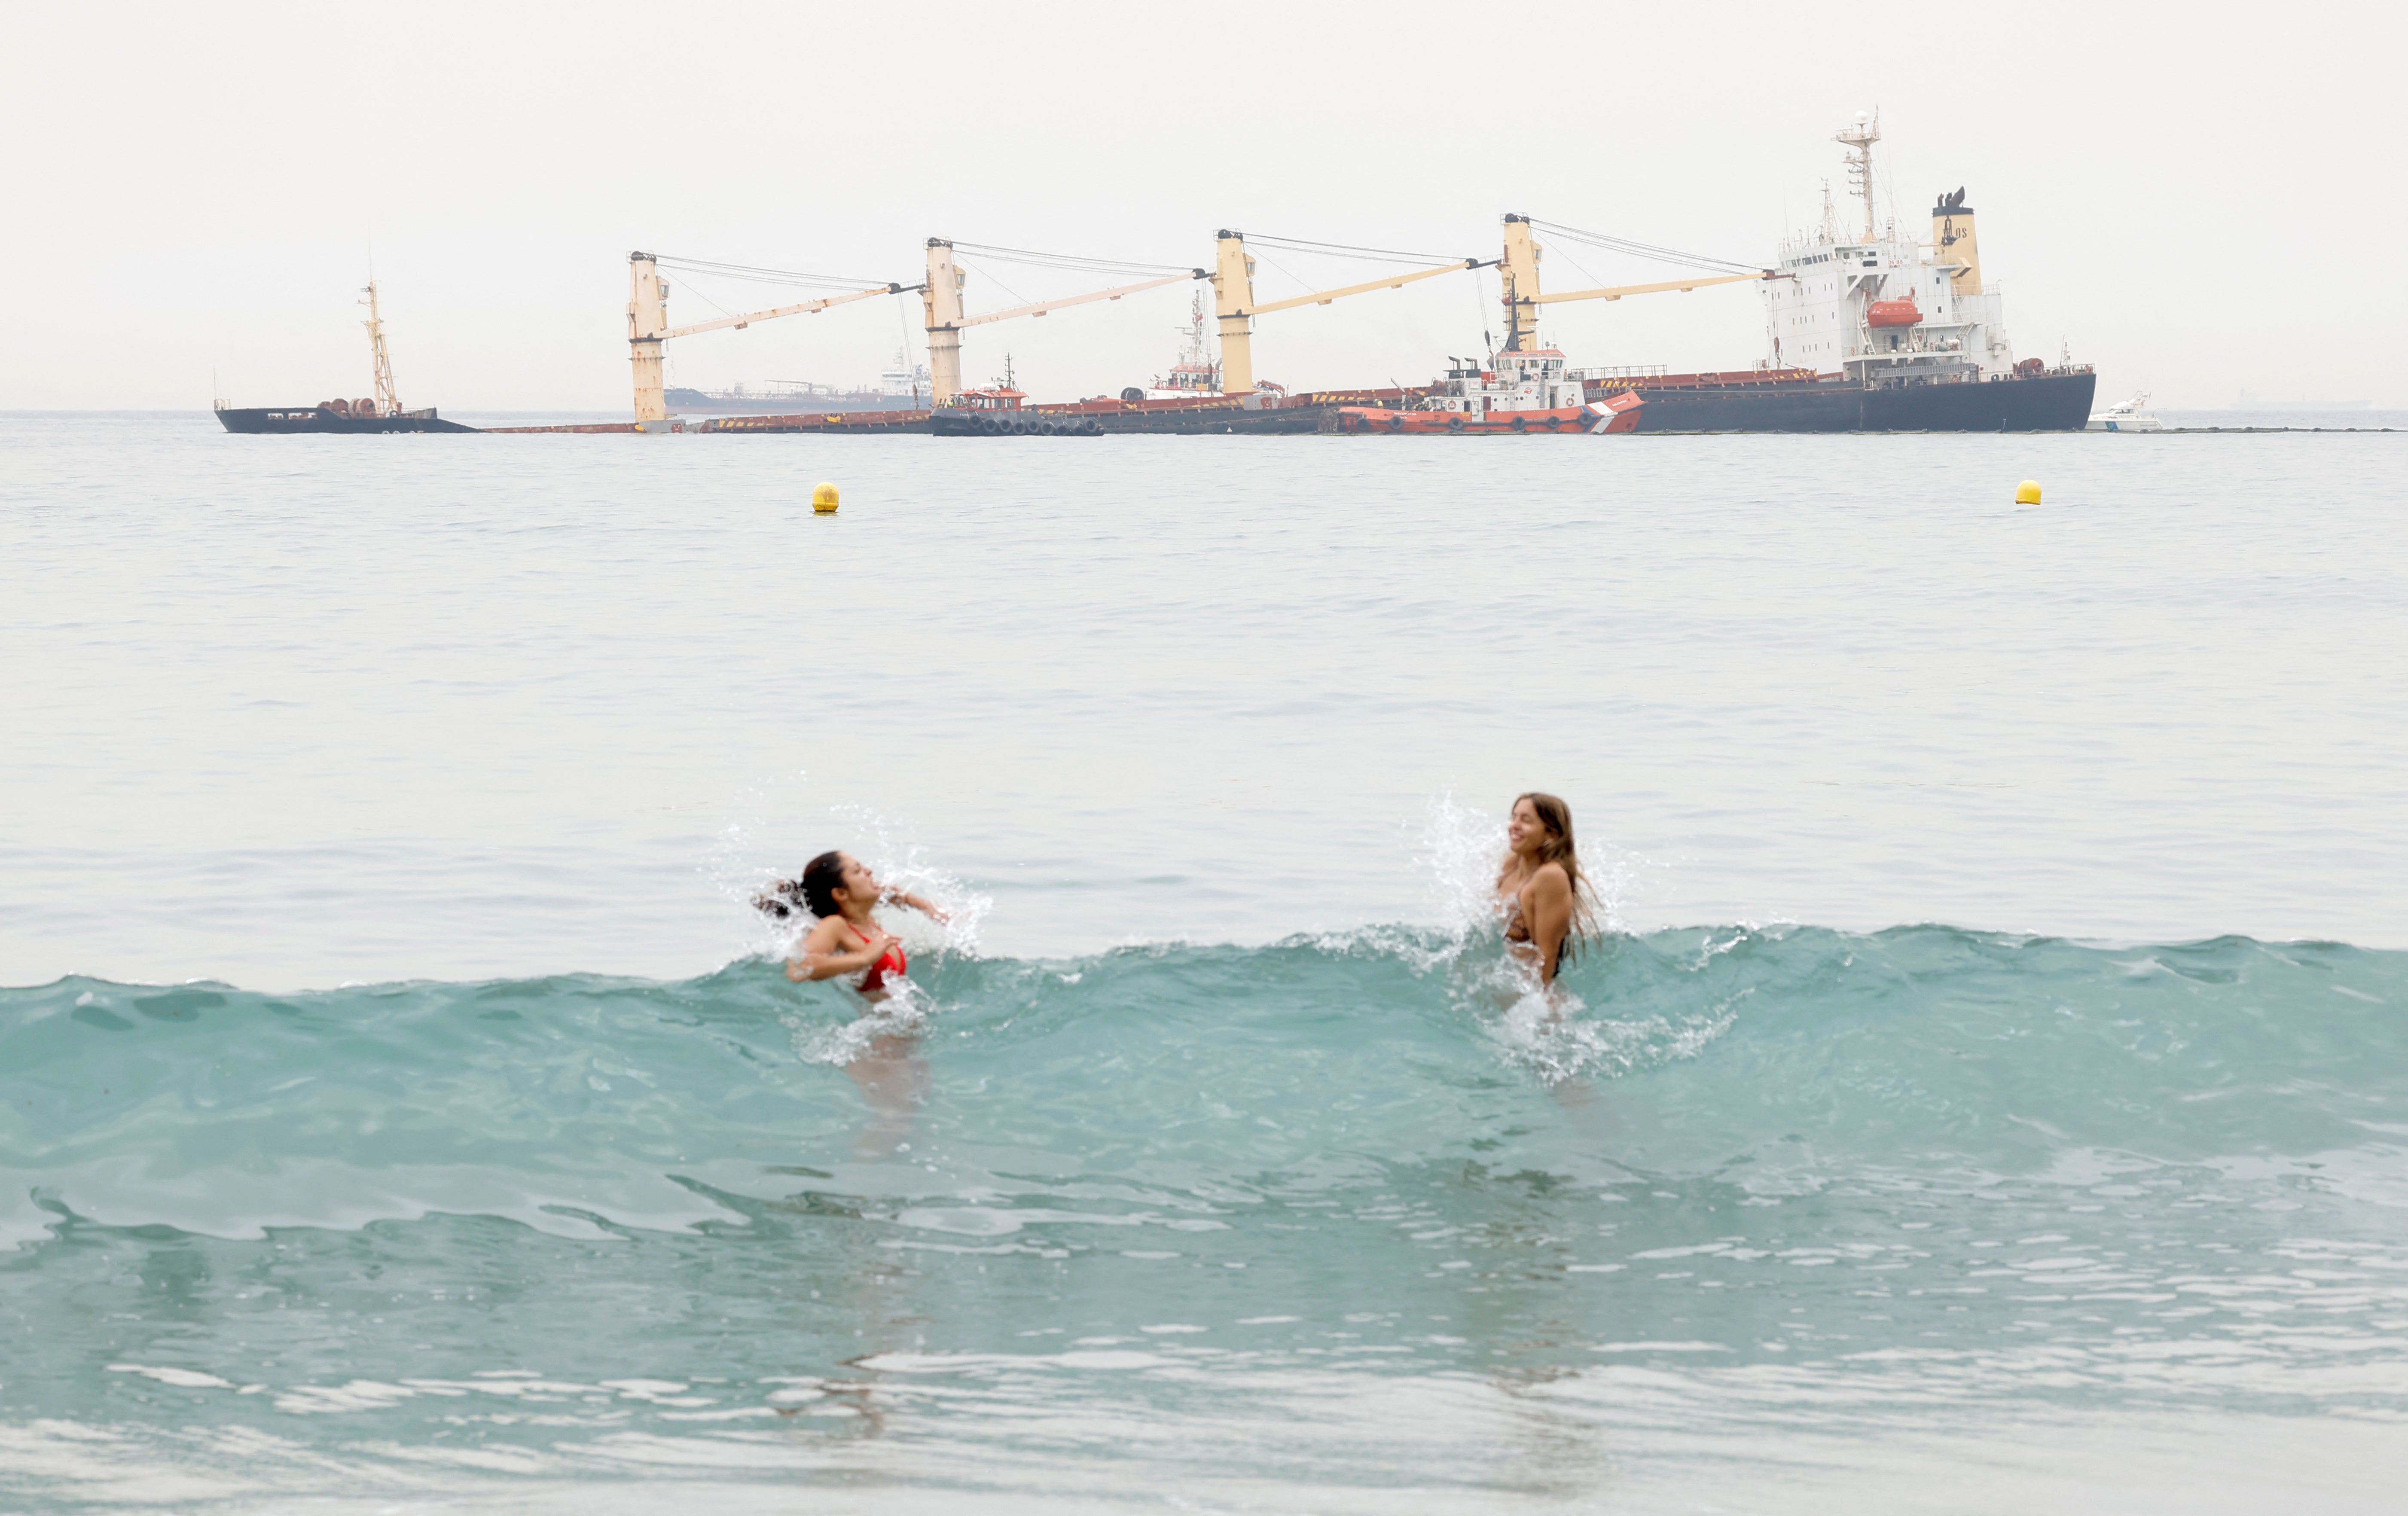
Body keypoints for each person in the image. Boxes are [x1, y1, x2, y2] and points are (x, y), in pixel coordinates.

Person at [754, 851, 948, 1001]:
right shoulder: (835, 925)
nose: (869, 871)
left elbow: (895, 893)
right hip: (876, 1032)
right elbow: (800, 968)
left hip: (902, 1025)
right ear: (841, 894)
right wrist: (864, 958)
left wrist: (929, 909)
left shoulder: (864, 916)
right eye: (858, 871)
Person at [1495, 792, 1599, 987]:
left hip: (1530, 990)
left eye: (1526, 820)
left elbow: (1547, 955)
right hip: (1505, 978)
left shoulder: (1550, 877)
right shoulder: (1512, 863)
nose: (1514, 826)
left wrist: (1533, 1000)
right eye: (1514, 817)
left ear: (1551, 835)